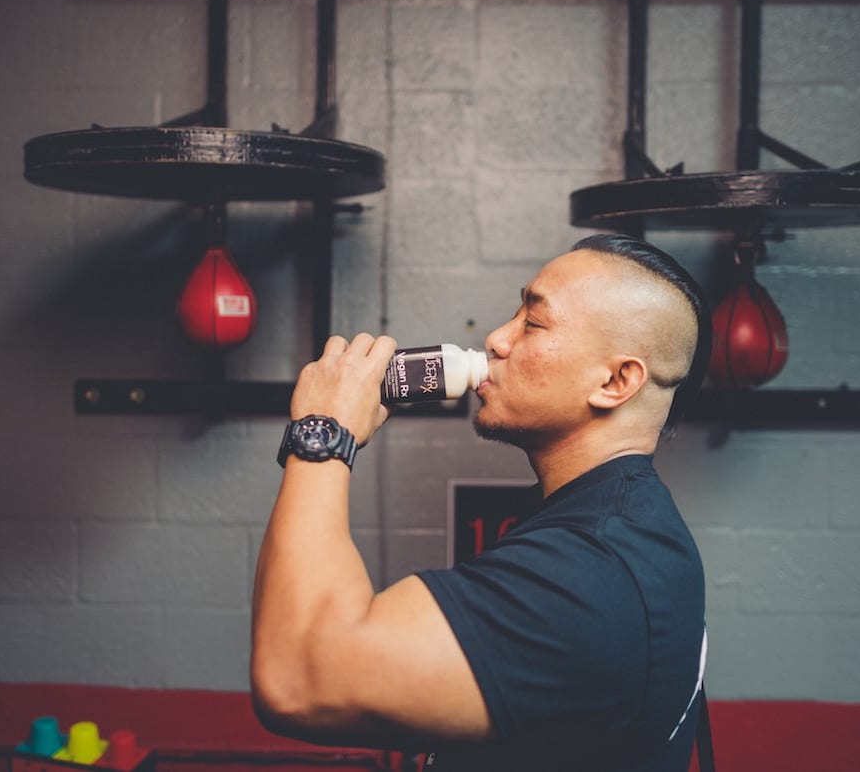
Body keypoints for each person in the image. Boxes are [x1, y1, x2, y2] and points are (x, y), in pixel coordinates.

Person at [251, 233, 712, 771]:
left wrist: (323, 433)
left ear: (615, 380)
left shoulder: (596, 567)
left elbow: (299, 678)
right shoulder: (609, 523)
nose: (497, 338)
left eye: (532, 323)